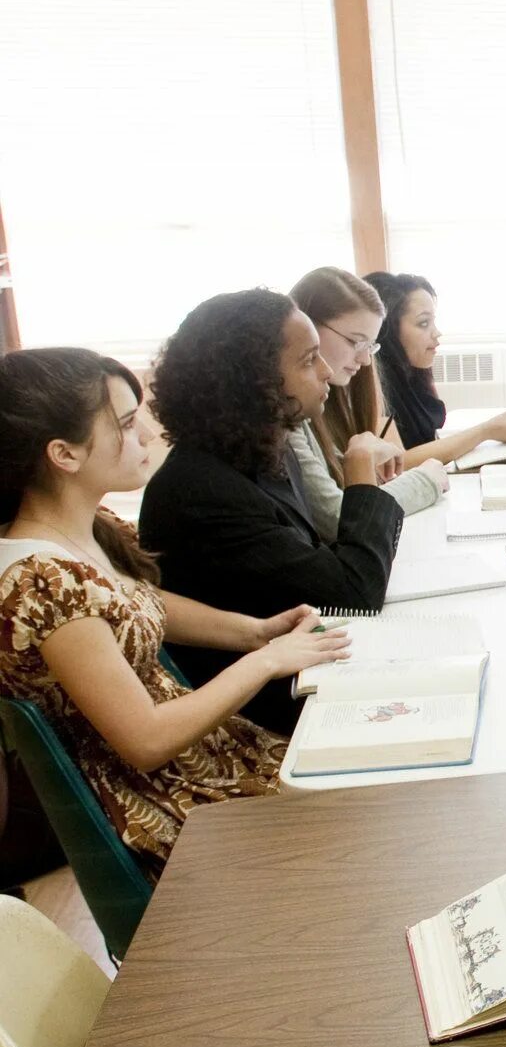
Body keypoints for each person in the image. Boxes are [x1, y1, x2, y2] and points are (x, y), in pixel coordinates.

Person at [0, 348, 350, 873]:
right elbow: (146, 740)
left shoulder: (84, 529)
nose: (145, 435)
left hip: (203, 767)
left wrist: (255, 633)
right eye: (124, 423)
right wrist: (268, 659)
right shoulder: (42, 582)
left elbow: (136, 603)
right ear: (64, 454)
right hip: (168, 806)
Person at [138, 289, 404, 733]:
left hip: (299, 665)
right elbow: (354, 596)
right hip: (263, 711)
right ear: (252, 382)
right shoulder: (201, 491)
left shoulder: (261, 452)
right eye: (307, 361)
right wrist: (360, 475)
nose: (325, 373)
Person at [288, 266, 447, 539]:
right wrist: (425, 480)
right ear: (308, 328)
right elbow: (342, 517)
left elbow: (345, 490)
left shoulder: (334, 397)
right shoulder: (287, 411)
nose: (364, 361)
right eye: (355, 342)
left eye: (370, 346)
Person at [364, 269, 506, 463]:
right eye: (423, 323)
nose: (437, 333)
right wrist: (486, 431)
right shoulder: (372, 386)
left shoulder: (412, 373)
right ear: (386, 330)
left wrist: (490, 430)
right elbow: (399, 464)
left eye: (433, 321)